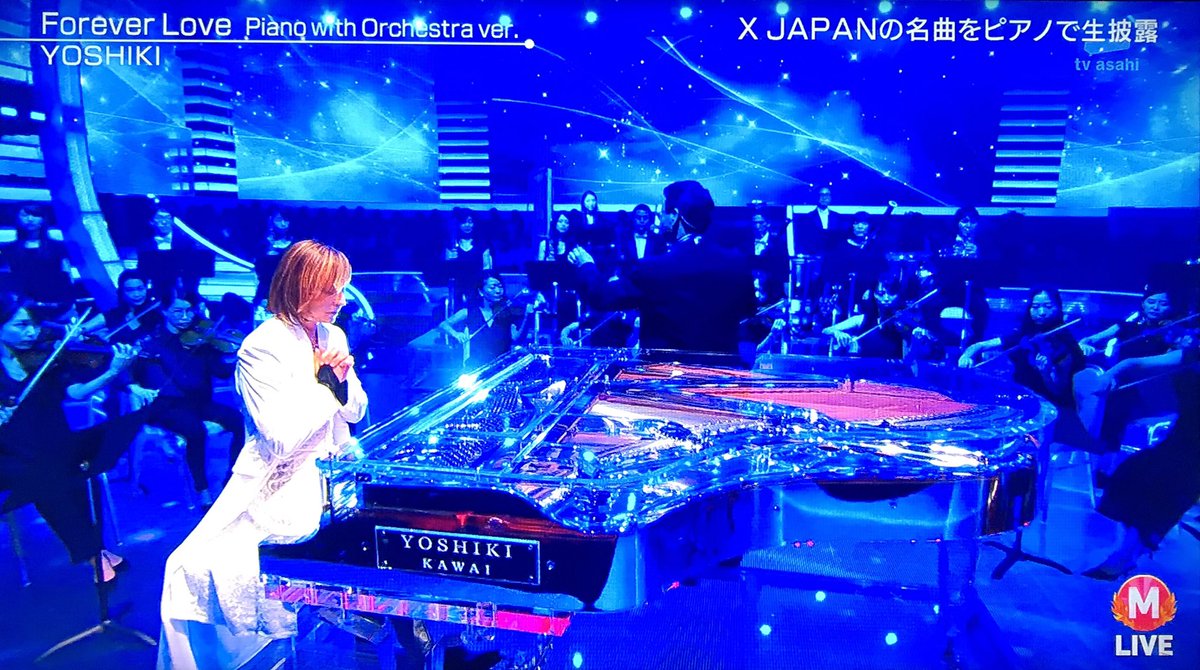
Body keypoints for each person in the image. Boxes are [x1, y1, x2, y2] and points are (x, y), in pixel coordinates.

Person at [158, 240, 368, 670]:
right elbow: (281, 439)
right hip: (281, 478)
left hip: (338, 468)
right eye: (329, 290)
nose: (341, 300)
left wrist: (341, 382)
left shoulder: (333, 334)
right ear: (299, 287)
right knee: (183, 567)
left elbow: (356, 410)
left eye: (342, 289)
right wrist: (327, 385)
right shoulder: (262, 346)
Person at [0, 293, 142, 584]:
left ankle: (96, 549)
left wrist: (113, 371)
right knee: (48, 483)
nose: (31, 332)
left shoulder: (42, 359)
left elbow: (75, 393)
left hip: (53, 441)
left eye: (34, 325)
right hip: (11, 455)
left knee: (85, 473)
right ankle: (91, 556)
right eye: (22, 325)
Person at [567, 180, 756, 355]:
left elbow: (601, 297)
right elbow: (748, 309)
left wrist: (586, 265)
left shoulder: (653, 269)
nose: (659, 218)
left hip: (665, 376)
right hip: (722, 375)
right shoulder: (738, 263)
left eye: (663, 213)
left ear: (675, 216)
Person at [1082, 343, 1200, 580]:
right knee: (1129, 475)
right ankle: (1132, 549)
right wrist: (1109, 375)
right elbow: (1135, 363)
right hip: (1181, 439)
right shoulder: (1194, 354)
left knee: (1164, 492)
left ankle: (1125, 555)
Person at [131, 289, 244, 506]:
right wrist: (133, 387)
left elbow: (220, 372)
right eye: (178, 311)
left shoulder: (203, 339)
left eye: (189, 311)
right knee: (195, 430)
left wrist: (231, 357)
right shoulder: (153, 341)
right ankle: (202, 490)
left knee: (240, 422)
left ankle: (231, 478)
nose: (185, 317)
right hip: (166, 405)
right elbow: (130, 371)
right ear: (164, 311)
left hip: (198, 402)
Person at [958, 287, 1085, 411]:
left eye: (1048, 306)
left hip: (1050, 407)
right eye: (1035, 307)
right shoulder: (1024, 335)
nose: (1041, 312)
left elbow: (1058, 392)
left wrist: (1045, 373)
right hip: (1024, 398)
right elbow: (980, 346)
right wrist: (966, 356)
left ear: (1058, 307)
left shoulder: (1064, 345)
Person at [438, 271, 538, 370]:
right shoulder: (469, 312)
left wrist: (527, 317)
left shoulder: (507, 313)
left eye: (500, 287)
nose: (498, 291)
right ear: (481, 292)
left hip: (501, 368)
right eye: (492, 287)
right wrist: (456, 334)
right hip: (475, 369)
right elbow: (443, 325)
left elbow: (516, 338)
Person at [0, 204, 76, 310]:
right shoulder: (9, 249)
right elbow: (6, 278)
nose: (30, 219)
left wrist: (69, 301)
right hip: (23, 304)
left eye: (35, 215)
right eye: (25, 215)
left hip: (55, 302)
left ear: (43, 219)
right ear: (17, 219)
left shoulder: (58, 247)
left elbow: (67, 273)